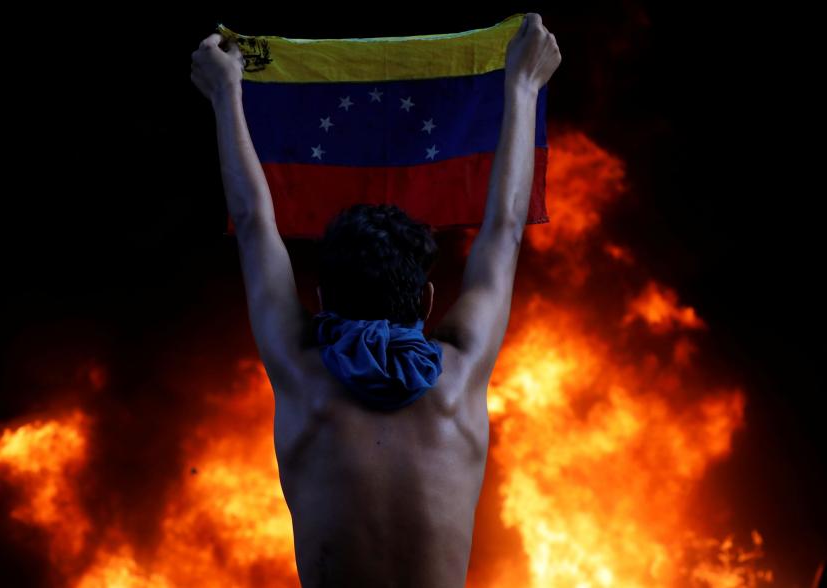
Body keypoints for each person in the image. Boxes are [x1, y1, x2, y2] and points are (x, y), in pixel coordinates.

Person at [190, 12, 560, 587]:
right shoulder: (459, 376)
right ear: (428, 298)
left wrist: (225, 93)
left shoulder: (301, 374)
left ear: (318, 296)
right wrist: (522, 86)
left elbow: (254, 221)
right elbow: (505, 227)